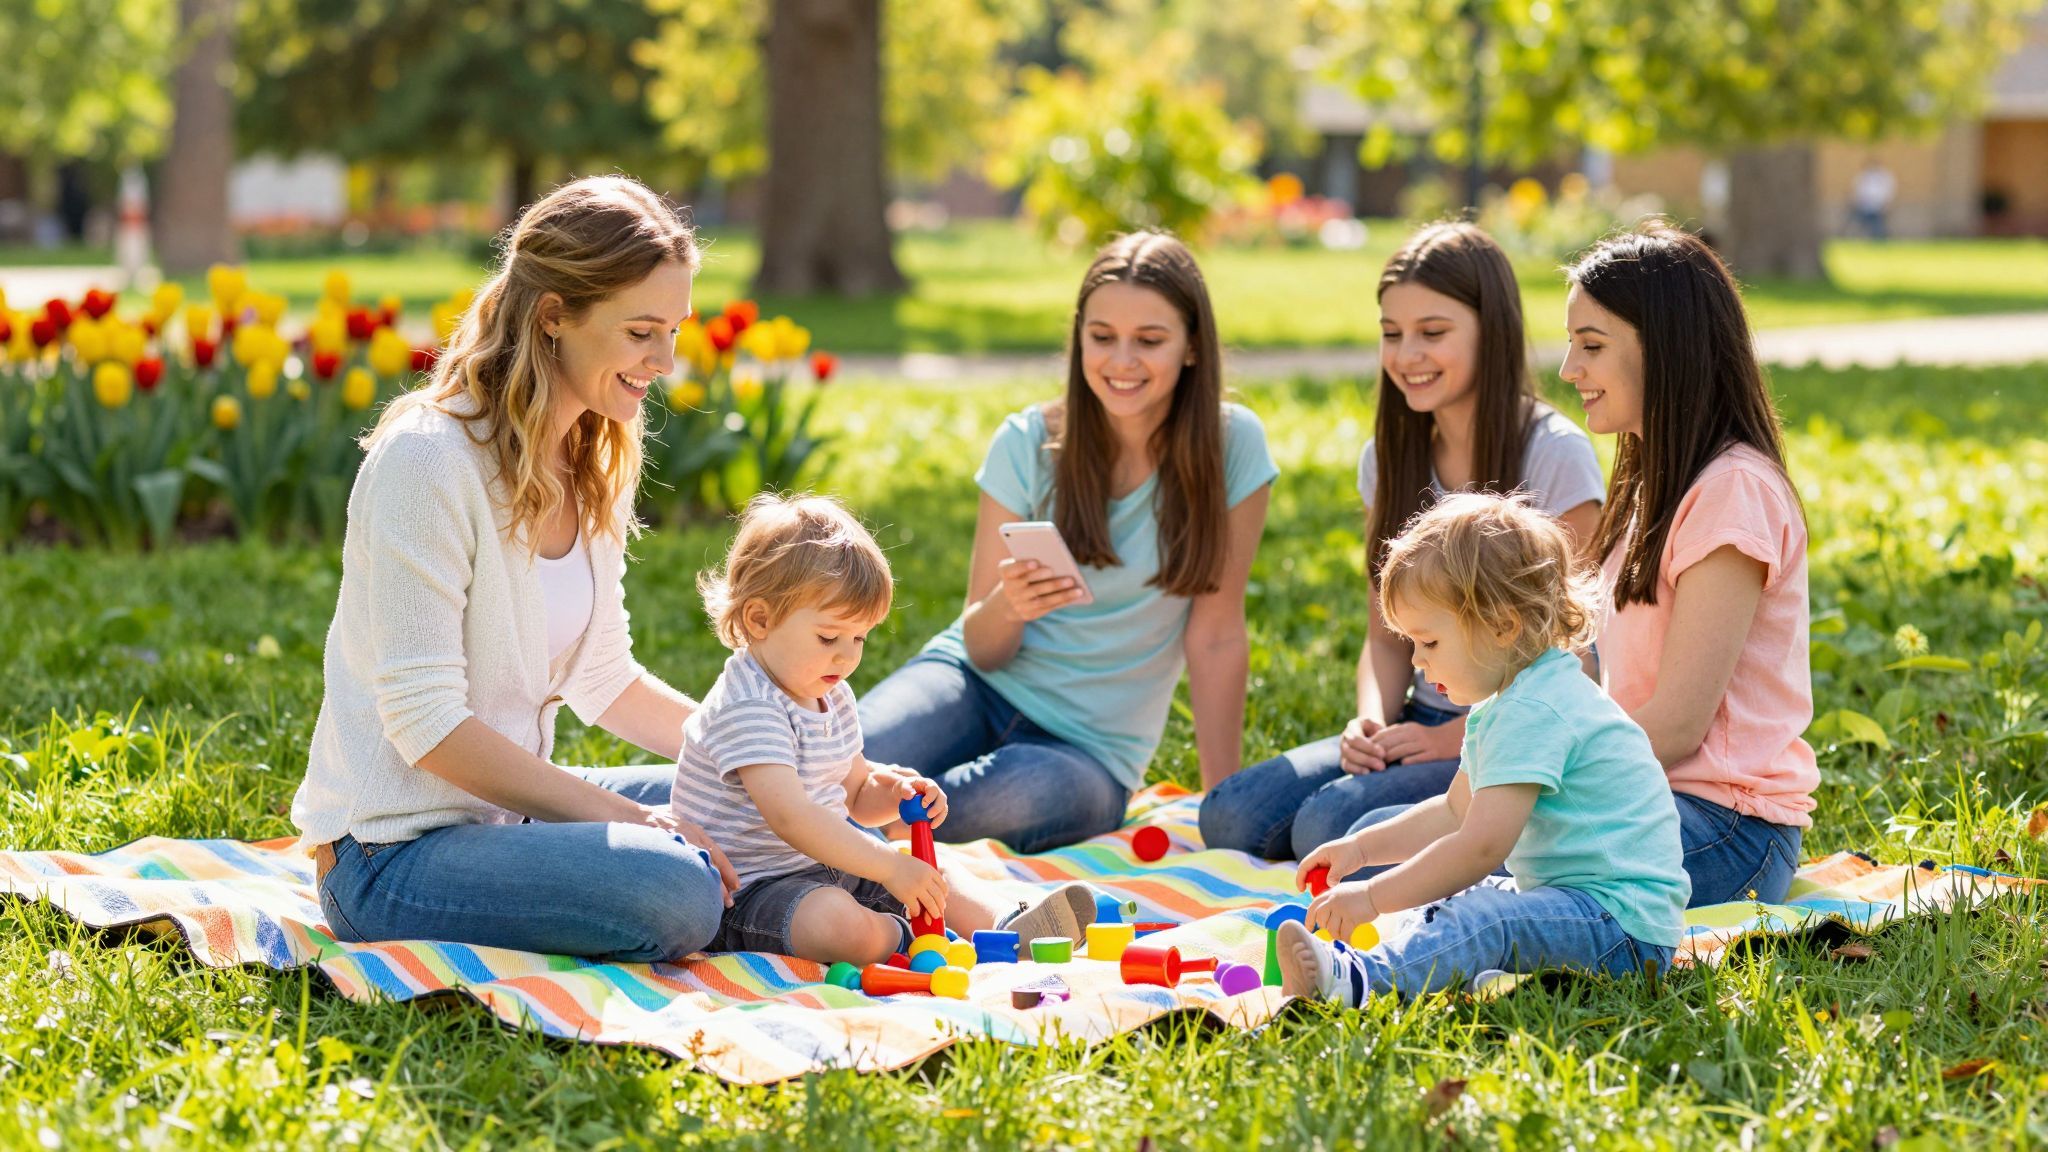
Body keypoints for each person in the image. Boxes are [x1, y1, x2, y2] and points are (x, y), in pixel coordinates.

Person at [294, 176, 736, 961]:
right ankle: (753, 896)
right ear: (553, 316)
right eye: (641, 332)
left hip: (506, 826)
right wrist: (632, 823)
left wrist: (767, 758)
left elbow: (604, 676)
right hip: (390, 856)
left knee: (746, 807)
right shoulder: (427, 461)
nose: (665, 360)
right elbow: (428, 727)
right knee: (676, 884)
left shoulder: (593, 453)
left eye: (674, 330)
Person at [859, 231, 1277, 853]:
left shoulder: (1233, 447)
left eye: (1150, 341)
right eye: (1102, 337)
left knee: (970, 803)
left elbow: (1215, 636)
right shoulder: (1027, 442)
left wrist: (1224, 811)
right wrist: (1010, 604)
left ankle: (830, 841)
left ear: (1192, 347)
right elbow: (981, 645)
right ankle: (716, 811)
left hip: (1086, 752)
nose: (1121, 361)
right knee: (831, 766)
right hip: (972, 684)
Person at [1200, 221, 1603, 861]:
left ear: (1491, 331)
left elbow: (1573, 657)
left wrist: (1453, 742)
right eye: (1392, 334)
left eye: (1432, 333)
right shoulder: (1388, 458)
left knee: (1328, 825)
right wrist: (1370, 722)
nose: (1406, 354)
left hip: (1515, 737)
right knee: (1229, 814)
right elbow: (1388, 635)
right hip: (1417, 719)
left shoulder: (1555, 455)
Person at [1279, 493, 1688, 1002]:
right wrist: (1362, 851)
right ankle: (1420, 956)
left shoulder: (1536, 708)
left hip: (1622, 931)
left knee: (1483, 914)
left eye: (1429, 643)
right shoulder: (1508, 700)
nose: (1418, 663)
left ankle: (1361, 982)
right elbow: (1455, 812)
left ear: (1502, 625)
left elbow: (1480, 848)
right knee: (1465, 899)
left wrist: (1372, 895)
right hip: (1576, 903)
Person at [673, 494, 1095, 963]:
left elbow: (853, 793)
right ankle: (903, 939)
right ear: (759, 619)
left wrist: (891, 790)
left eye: (860, 638)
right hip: (750, 891)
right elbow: (791, 817)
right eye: (829, 637)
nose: (847, 656)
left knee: (932, 871)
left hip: (827, 864)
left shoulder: (827, 692)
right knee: (839, 921)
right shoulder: (747, 704)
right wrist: (888, 867)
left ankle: (1009, 923)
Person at [1561, 221, 1818, 906]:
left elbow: (1677, 722)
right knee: (1409, 840)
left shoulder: (1733, 491)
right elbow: (1598, 671)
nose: (1568, 370)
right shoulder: (1651, 479)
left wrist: (1540, 780)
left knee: (1497, 864)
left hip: (1729, 829)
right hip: (1646, 794)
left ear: (1667, 349)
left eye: (1590, 346)